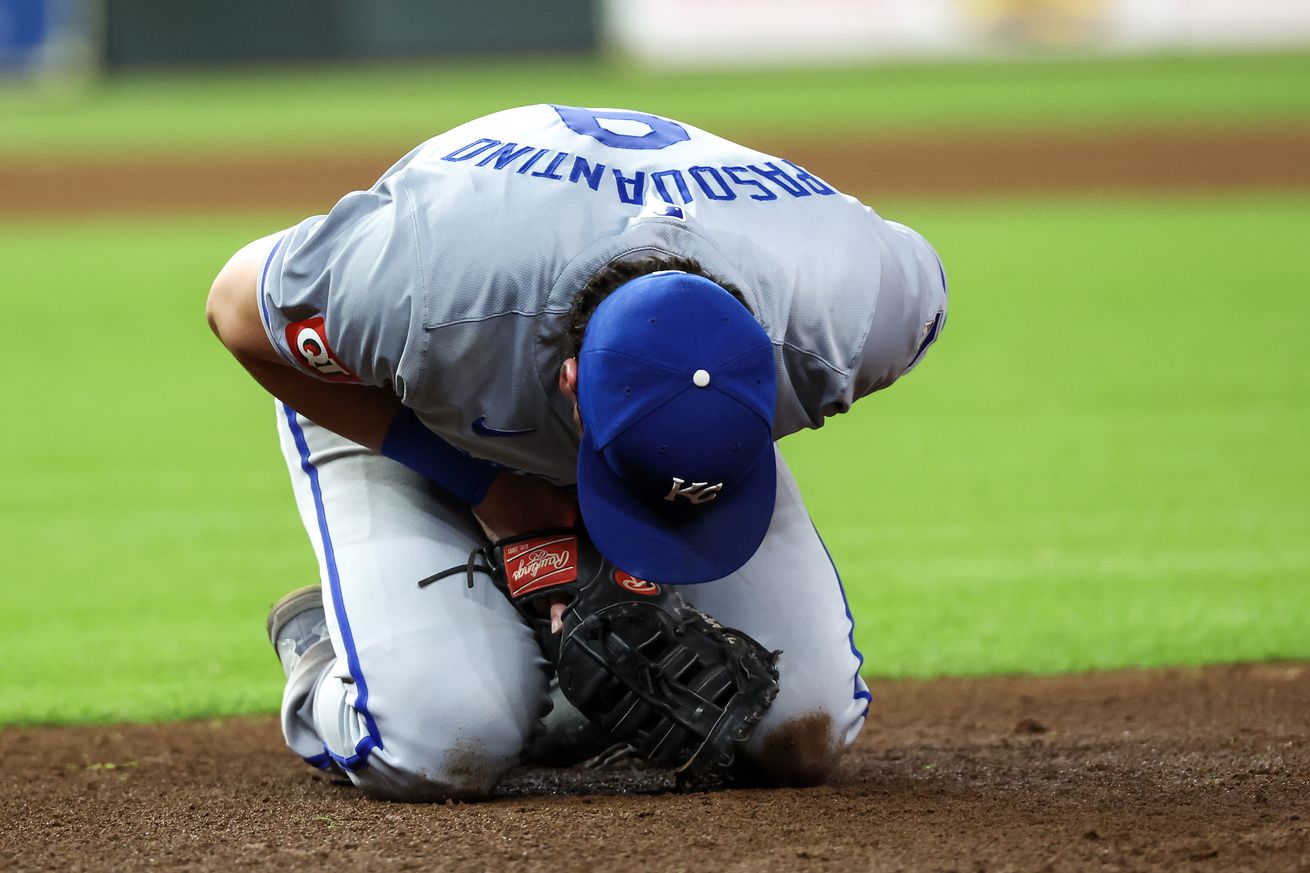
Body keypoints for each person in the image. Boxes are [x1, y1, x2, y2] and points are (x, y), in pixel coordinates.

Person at [206, 104, 947, 801]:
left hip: (684, 425)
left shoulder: (857, 308)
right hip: (402, 396)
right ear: (569, 386)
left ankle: (551, 669)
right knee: (439, 743)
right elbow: (235, 308)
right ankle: (323, 648)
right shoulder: (424, 281)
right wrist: (491, 488)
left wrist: (682, 457)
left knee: (797, 735)